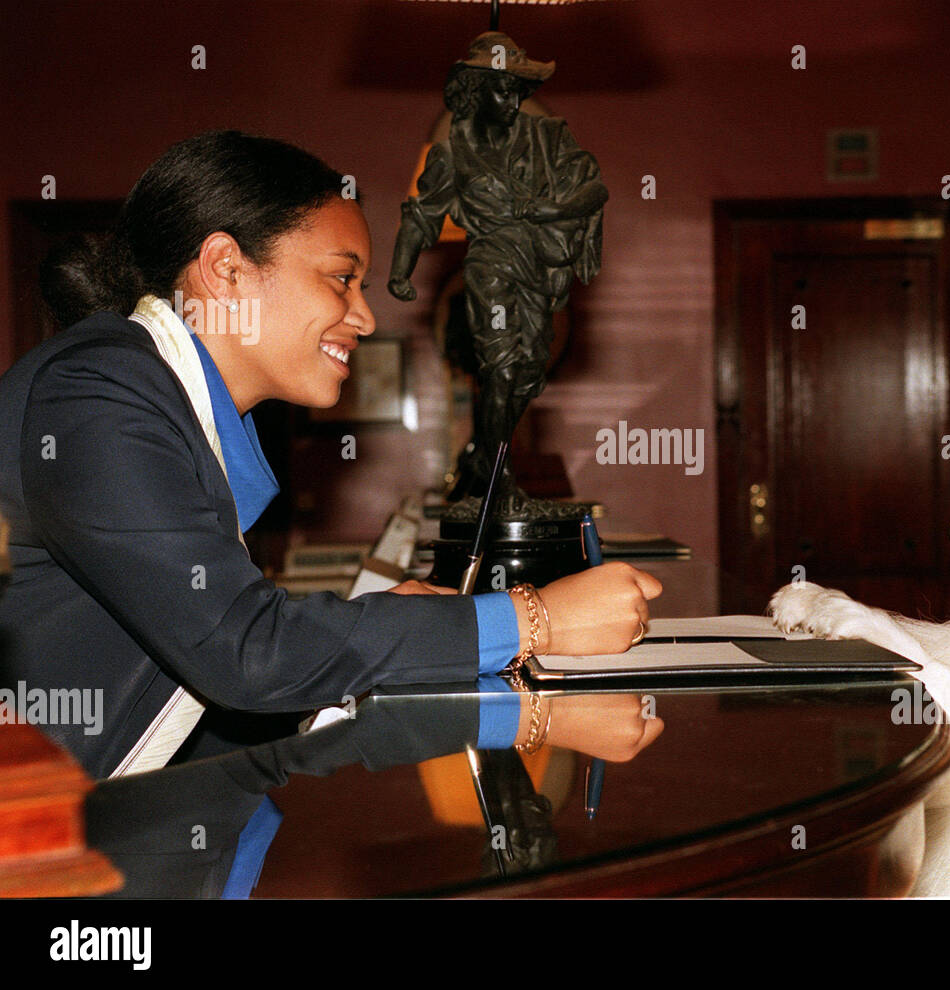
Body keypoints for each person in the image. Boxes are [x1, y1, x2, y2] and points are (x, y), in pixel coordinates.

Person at [0, 130, 661, 894]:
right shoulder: (98, 397)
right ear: (224, 269)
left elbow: (211, 671)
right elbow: (245, 653)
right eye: (341, 280)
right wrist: (531, 619)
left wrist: (413, 638)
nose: (365, 317)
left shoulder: (157, 398)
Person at [389, 32, 607, 502]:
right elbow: (423, 214)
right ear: (473, 90)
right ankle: (496, 480)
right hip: (491, 269)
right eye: (501, 89)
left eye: (516, 89)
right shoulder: (453, 153)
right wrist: (400, 272)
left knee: (528, 373)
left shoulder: (547, 139)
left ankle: (487, 456)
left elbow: (592, 187)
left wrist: (552, 211)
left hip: (539, 269)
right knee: (502, 370)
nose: (513, 100)